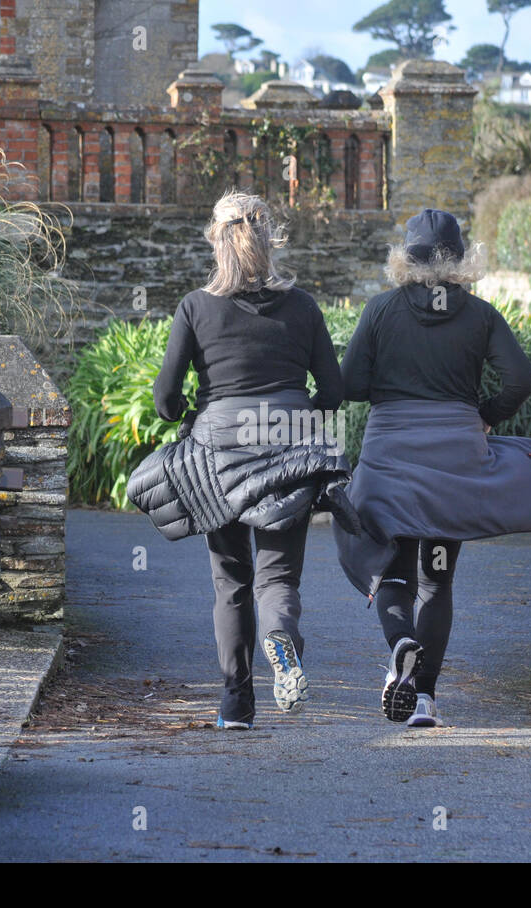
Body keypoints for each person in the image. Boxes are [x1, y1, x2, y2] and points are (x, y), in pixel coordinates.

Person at [129, 190, 355, 731]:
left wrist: (188, 408)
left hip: (218, 455)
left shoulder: (196, 306)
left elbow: (165, 400)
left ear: (216, 239)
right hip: (288, 449)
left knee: (230, 580)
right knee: (278, 578)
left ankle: (236, 703)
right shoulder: (301, 307)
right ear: (269, 238)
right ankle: (282, 638)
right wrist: (299, 409)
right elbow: (333, 391)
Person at [334, 208, 531, 728]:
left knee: (388, 570)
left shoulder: (380, 310)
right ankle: (424, 700)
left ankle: (400, 645)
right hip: (455, 461)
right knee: (436, 583)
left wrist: (391, 385)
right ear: (462, 262)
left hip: (390, 458)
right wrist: (483, 415)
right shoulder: (481, 315)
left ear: (404, 260)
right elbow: (521, 381)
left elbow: (348, 384)